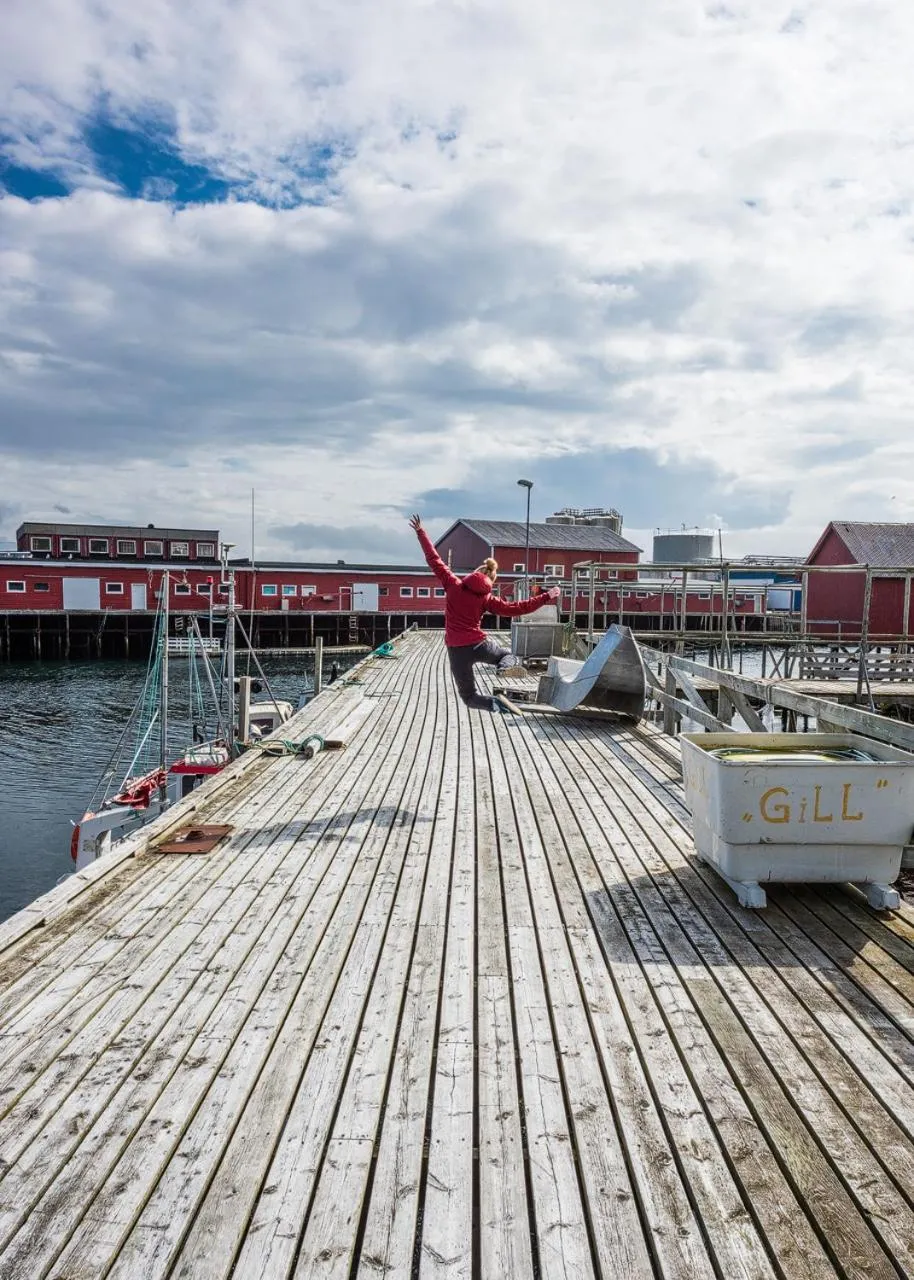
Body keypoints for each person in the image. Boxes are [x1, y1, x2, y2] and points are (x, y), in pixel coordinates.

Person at [409, 514, 561, 711]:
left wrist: (421, 532)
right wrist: (546, 596)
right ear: (491, 580)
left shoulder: (452, 584)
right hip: (478, 645)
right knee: (507, 655)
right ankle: (504, 668)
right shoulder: (486, 598)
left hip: (456, 650)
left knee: (470, 698)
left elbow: (434, 559)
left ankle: (495, 705)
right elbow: (517, 608)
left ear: (476, 572)